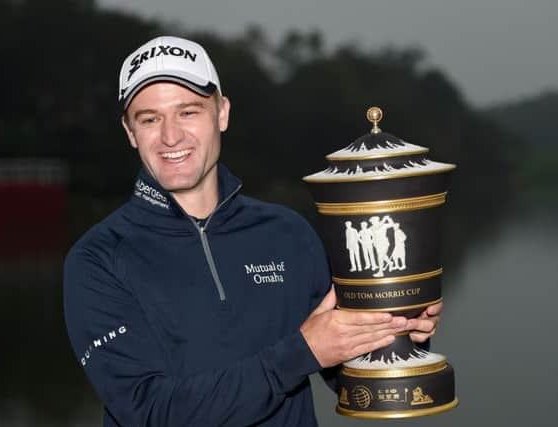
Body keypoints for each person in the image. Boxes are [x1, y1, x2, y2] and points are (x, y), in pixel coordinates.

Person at [63, 35, 441, 427]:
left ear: (222, 113)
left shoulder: (287, 233)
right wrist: (301, 352)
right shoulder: (99, 259)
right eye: (150, 119)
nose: (170, 136)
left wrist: (399, 329)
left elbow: (350, 378)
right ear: (129, 132)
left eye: (188, 112)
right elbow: (149, 411)